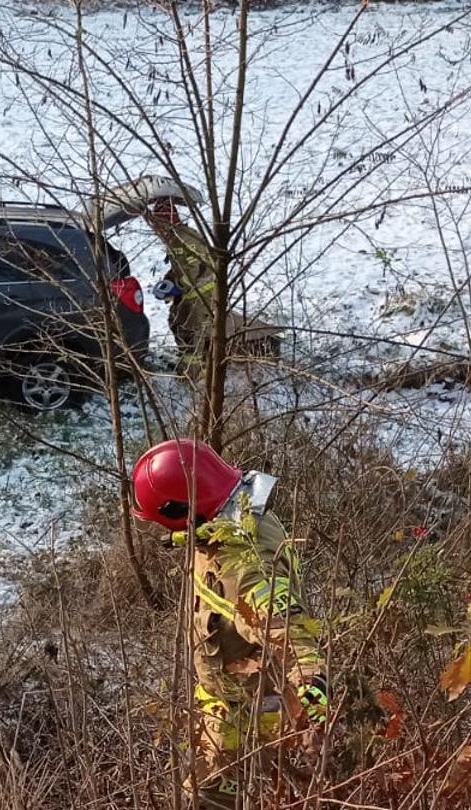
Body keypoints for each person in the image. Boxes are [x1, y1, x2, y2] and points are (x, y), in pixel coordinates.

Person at [131, 439, 326, 807]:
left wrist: (313, 685)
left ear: (180, 509)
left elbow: (287, 628)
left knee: (209, 802)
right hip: (225, 705)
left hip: (247, 724)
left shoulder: (245, 565)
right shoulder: (243, 515)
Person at [144, 198, 215, 359]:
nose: (157, 229)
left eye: (159, 223)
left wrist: (177, 286)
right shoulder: (173, 238)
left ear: (167, 220)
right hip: (190, 292)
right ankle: (187, 358)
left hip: (203, 294)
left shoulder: (185, 238)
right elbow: (178, 267)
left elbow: (194, 268)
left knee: (195, 330)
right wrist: (167, 281)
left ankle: (197, 369)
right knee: (176, 321)